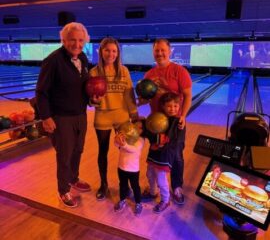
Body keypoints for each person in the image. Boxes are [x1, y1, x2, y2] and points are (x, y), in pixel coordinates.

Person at [36, 22, 91, 208]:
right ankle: (63, 190)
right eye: (72, 40)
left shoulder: (83, 58)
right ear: (64, 40)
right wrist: (46, 117)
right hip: (61, 117)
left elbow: (84, 86)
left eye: (80, 40)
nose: (77, 44)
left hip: (80, 115)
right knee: (65, 155)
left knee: (78, 150)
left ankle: (73, 179)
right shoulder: (53, 60)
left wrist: (94, 98)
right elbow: (41, 92)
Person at [139, 38, 192, 205]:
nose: (160, 53)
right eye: (157, 50)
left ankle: (176, 187)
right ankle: (154, 188)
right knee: (156, 153)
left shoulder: (179, 71)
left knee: (176, 154)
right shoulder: (149, 74)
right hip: (156, 122)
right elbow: (144, 99)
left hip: (175, 122)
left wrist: (183, 115)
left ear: (170, 51)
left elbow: (188, 95)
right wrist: (136, 101)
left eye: (163, 50)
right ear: (153, 52)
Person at [89, 37, 139, 200]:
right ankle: (103, 184)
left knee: (128, 149)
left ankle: (126, 185)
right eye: (107, 50)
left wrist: (134, 113)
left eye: (114, 51)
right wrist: (93, 101)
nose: (111, 54)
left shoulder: (123, 71)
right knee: (102, 152)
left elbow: (129, 93)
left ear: (118, 53)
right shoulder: (94, 72)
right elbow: (91, 98)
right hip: (102, 116)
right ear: (101, 52)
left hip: (122, 116)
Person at [141, 92, 186, 213]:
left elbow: (176, 141)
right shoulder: (158, 118)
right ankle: (152, 192)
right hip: (154, 153)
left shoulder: (179, 122)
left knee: (161, 178)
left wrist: (161, 142)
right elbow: (150, 132)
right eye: (169, 106)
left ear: (179, 106)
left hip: (165, 155)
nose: (172, 109)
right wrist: (143, 124)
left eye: (175, 106)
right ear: (163, 106)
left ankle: (165, 200)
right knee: (150, 174)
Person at [113, 127, 144, 216]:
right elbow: (116, 145)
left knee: (135, 187)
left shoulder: (141, 140)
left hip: (133, 170)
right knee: (122, 185)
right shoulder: (127, 136)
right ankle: (122, 200)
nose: (137, 129)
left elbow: (133, 149)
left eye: (140, 127)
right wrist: (117, 139)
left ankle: (138, 203)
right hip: (121, 167)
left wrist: (123, 144)